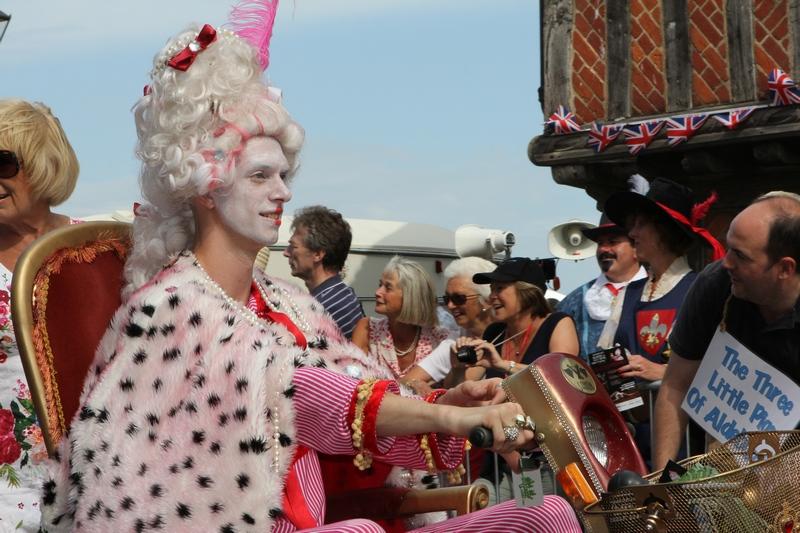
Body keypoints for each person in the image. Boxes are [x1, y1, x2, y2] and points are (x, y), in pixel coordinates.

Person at [39, 16, 580, 533]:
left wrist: (448, 404)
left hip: (337, 522)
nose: (284, 192)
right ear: (206, 187)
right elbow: (300, 392)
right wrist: (443, 421)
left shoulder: (292, 304)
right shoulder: (170, 306)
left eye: (283, 173)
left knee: (547, 515)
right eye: (259, 175)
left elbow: (364, 397)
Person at [653, 191, 800, 470]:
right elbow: (675, 386)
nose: (727, 261)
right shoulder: (715, 284)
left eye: (741, 256)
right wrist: (662, 486)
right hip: (721, 467)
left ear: (784, 268)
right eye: (728, 247)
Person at [602, 176, 724, 462]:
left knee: (677, 502)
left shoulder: (700, 290)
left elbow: (722, 371)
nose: (632, 233)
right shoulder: (626, 295)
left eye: (641, 224)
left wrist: (664, 375)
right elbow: (606, 365)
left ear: (665, 229)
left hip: (688, 444)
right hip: (633, 446)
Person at [0, 99, 79, 531]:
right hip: (7, 503)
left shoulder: (101, 250)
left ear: (43, 163)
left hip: (98, 493)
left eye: (3, 163)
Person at [457, 257, 579, 380]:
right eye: (492, 289)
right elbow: (462, 387)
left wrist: (504, 365)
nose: (491, 296)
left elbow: (561, 376)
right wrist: (458, 367)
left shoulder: (557, 323)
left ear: (526, 292)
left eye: (499, 288)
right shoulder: (494, 332)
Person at [401, 257, 496, 395]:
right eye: (447, 299)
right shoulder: (456, 340)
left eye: (459, 298)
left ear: (486, 300)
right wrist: (415, 384)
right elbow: (405, 381)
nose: (450, 306)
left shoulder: (508, 332)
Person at [557, 213, 646, 360]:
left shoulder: (658, 293)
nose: (604, 249)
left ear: (635, 248)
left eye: (612, 242)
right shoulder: (573, 301)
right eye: (600, 243)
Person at [352, 256, 451, 379]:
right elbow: (352, 380)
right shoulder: (367, 329)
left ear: (411, 296)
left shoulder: (439, 338)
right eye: (380, 285)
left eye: (388, 287)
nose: (378, 292)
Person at [284, 205, 364, 339]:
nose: (286, 253)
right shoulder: (339, 296)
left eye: (293, 246)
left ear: (318, 254)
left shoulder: (327, 308)